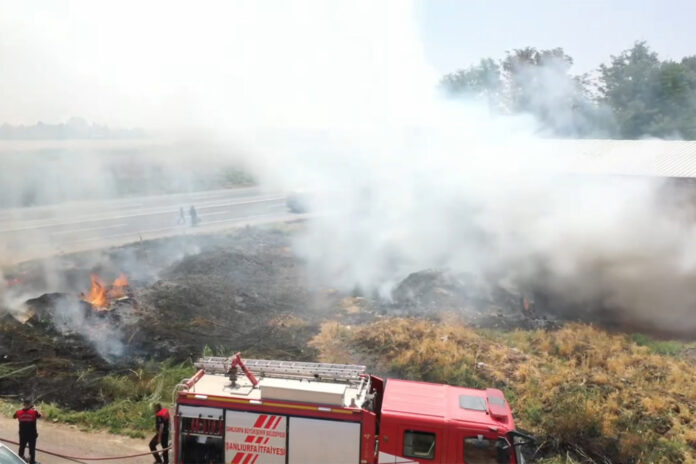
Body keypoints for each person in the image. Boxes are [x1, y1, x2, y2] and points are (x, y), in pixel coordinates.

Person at [13, 398, 41, 464]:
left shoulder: (18, 412)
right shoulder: (34, 412)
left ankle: (19, 460)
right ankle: (32, 461)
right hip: (32, 434)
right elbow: (40, 416)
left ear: (24, 404)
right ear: (30, 404)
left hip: (22, 434)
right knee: (32, 449)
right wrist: (35, 409)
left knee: (21, 447)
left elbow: (14, 417)